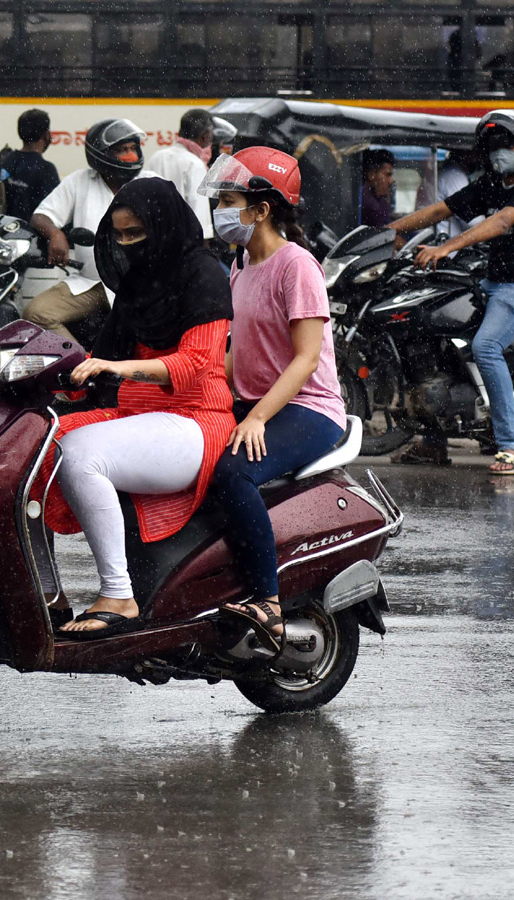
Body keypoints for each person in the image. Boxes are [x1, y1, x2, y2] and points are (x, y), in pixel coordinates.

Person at [32, 178, 234, 637]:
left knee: (80, 456)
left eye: (135, 234)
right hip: (141, 414)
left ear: (161, 225)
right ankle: (47, 595)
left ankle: (118, 595)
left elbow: (196, 363)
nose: (127, 245)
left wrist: (118, 368)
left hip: (197, 420)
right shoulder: (140, 283)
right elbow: (100, 358)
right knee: (32, 445)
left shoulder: (202, 274)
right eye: (119, 235)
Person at [199, 148, 347, 652]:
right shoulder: (239, 267)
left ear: (261, 209)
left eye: (229, 200)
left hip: (309, 406)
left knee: (233, 473)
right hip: (259, 402)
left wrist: (258, 417)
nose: (219, 208)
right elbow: (239, 356)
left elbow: (306, 359)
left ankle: (267, 600)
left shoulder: (296, 266)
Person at [388, 110, 514, 475]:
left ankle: (511, 449)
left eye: (507, 146)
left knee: (486, 345)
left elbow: (501, 222)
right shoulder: (491, 182)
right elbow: (441, 209)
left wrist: (446, 247)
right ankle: (434, 442)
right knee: (429, 327)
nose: (499, 153)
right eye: (493, 147)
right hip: (490, 282)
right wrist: (387, 231)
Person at [24, 118, 157, 343]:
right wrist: (56, 233)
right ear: (102, 154)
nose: (130, 155)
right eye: (122, 150)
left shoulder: (153, 183)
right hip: (90, 283)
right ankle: (81, 365)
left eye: (133, 148)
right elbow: (41, 215)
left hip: (145, 286)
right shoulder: (79, 181)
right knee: (35, 313)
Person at [145, 108, 215, 239]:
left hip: (156, 237)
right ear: (204, 136)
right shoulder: (195, 164)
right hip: (183, 242)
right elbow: (200, 220)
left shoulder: (157, 157)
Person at [0, 109, 60, 221]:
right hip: (30, 236)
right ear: (46, 134)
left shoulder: (5, 160)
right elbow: (56, 210)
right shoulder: (46, 170)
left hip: (0, 232)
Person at [360, 149, 395, 227]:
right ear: (371, 175)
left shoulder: (377, 200)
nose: (391, 181)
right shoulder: (370, 204)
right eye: (387, 175)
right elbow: (387, 234)